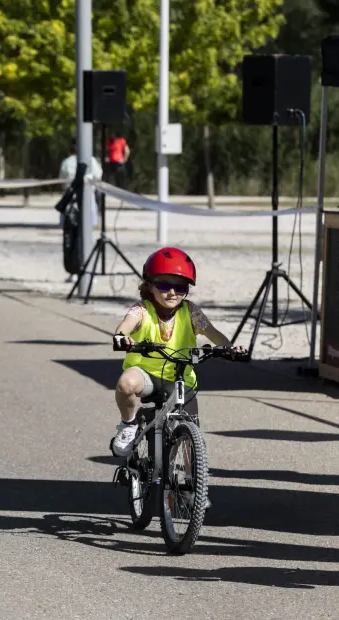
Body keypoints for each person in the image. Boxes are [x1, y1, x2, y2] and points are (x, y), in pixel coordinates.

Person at [110, 247, 245, 458]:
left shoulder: (191, 312)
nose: (172, 293)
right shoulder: (142, 310)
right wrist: (122, 338)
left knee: (192, 445)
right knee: (125, 384)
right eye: (164, 285)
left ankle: (191, 487)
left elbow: (214, 334)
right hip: (146, 374)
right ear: (149, 286)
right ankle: (128, 425)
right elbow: (125, 326)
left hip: (181, 379)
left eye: (181, 288)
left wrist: (229, 349)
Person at [58, 138, 102, 228]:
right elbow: (98, 176)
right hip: (87, 194)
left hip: (70, 194)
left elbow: (61, 179)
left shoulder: (66, 162)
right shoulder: (91, 160)